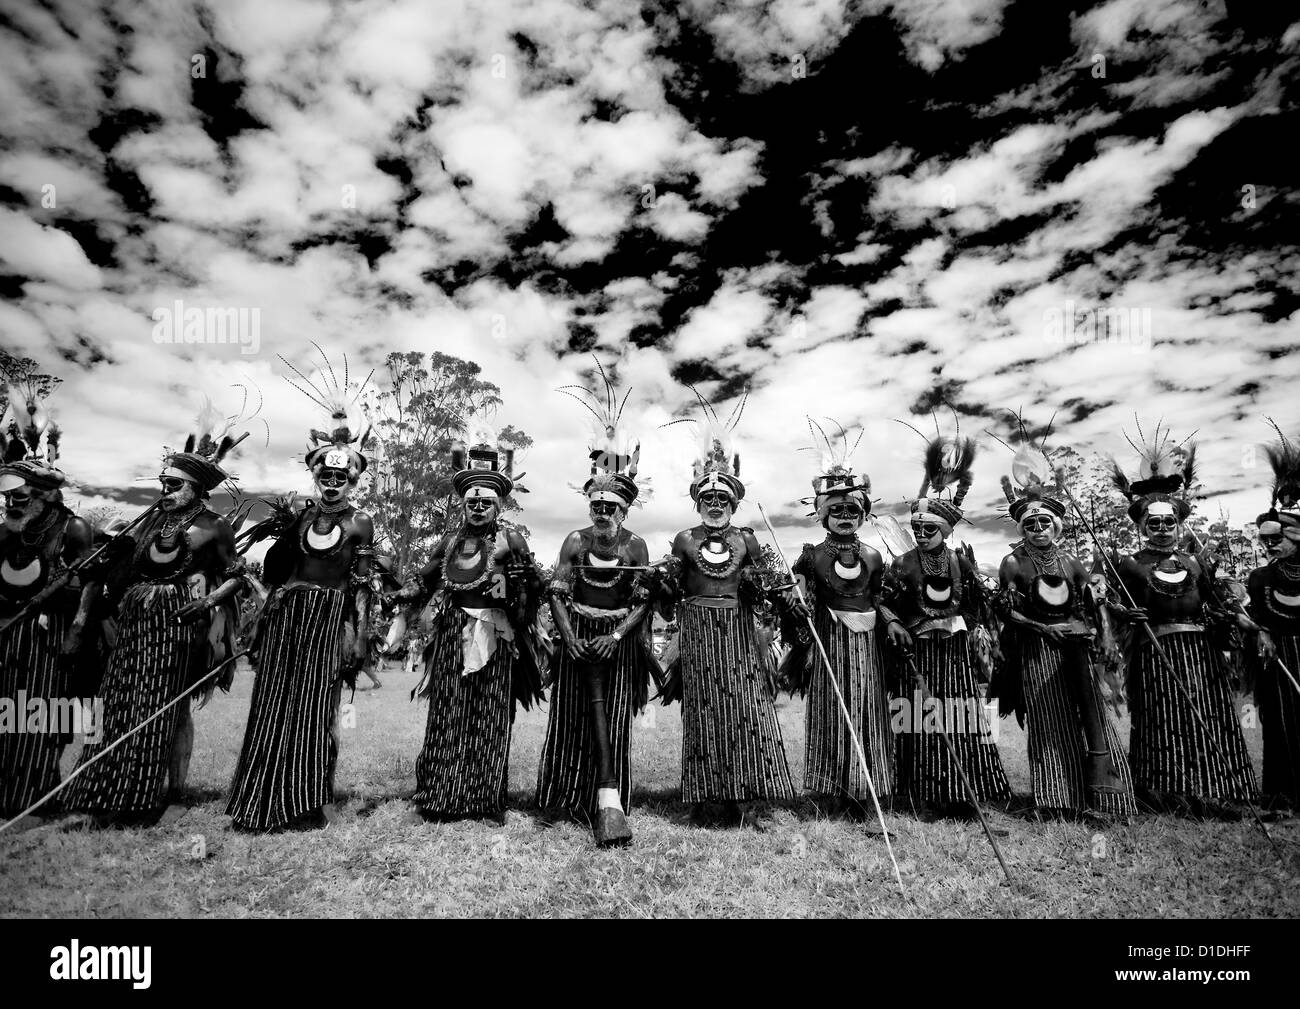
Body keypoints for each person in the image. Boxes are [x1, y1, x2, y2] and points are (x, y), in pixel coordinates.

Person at [64, 406, 246, 824]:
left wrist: (206, 602)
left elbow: (237, 577)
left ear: (197, 488)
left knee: (167, 706)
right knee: (119, 701)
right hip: (137, 621)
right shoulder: (149, 524)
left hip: (179, 623)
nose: (165, 488)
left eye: (174, 483)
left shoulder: (214, 526)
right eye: (163, 481)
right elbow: (121, 571)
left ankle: (165, 795)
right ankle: (104, 789)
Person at [226, 365, 374, 831]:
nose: (332, 483)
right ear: (315, 476)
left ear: (353, 481)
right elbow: (275, 573)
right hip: (289, 616)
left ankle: (311, 799)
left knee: (317, 707)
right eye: (325, 475)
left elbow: (364, 584)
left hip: (329, 619)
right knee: (273, 702)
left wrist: (361, 637)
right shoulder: (299, 520)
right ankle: (262, 796)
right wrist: (283, 533)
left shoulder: (359, 523)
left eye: (341, 477)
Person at [389, 436, 545, 821]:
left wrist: (525, 584)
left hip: (497, 634)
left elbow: (530, 596)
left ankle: (486, 801)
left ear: (499, 504)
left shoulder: (511, 539)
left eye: (486, 502)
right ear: (463, 504)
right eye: (472, 502)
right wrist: (397, 597)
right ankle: (436, 798)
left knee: (491, 715)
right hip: (452, 634)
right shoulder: (449, 542)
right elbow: (424, 583)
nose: (478, 507)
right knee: (447, 712)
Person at [536, 371, 660, 845]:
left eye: (611, 506)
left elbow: (644, 598)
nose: (602, 512)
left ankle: (612, 799)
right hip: (577, 641)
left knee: (613, 720)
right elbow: (557, 590)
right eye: (597, 504)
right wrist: (569, 638)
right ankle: (563, 796)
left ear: (625, 510)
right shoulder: (574, 540)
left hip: (617, 644)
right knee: (570, 717)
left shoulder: (636, 547)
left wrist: (614, 637)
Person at [660, 396, 794, 821]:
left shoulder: (747, 540)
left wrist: (777, 594)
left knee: (744, 706)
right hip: (697, 626)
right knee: (702, 708)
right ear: (697, 499)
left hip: (738, 628)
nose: (715, 502)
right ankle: (704, 796)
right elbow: (668, 600)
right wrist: (659, 583)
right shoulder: (683, 539)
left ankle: (744, 795)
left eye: (722, 497)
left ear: (734, 503)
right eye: (708, 496)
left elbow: (760, 592)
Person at [1110, 426, 1256, 814]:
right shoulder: (1130, 564)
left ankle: (1219, 790)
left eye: (1168, 522)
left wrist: (1232, 614)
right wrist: (1126, 613)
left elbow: (1215, 600)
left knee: (1210, 714)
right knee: (1162, 717)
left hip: (1201, 652)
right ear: (1142, 526)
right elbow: (1109, 605)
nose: (1161, 529)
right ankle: (1164, 793)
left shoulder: (1196, 561)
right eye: (1153, 523)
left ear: (1178, 523)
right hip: (1154, 650)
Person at [990, 439, 1135, 817]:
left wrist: (1105, 631)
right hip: (1039, 650)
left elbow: (1095, 600)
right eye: (1031, 523)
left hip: (1078, 645)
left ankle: (1108, 795)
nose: (1038, 528)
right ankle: (1058, 797)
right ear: (1023, 528)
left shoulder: (1071, 561)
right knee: (1050, 718)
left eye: (1044, 522)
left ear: (1055, 526)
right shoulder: (1013, 563)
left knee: (1094, 717)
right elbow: (1006, 610)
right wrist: (1041, 628)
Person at [878, 431, 1010, 815]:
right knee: (916, 719)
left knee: (960, 715)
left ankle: (961, 792)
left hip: (953, 653)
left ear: (946, 530)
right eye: (916, 529)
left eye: (929, 529)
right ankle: (921, 793)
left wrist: (967, 625)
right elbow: (884, 602)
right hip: (916, 652)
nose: (920, 534)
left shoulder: (960, 562)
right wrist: (893, 623)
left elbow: (975, 603)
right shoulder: (901, 564)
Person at [779, 421, 891, 819]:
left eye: (852, 510)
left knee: (866, 710)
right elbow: (795, 597)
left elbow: (880, 598)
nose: (845, 516)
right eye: (837, 510)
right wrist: (796, 605)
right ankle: (835, 787)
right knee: (832, 710)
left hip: (867, 645)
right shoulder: (811, 555)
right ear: (823, 515)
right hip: (829, 642)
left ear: (863, 514)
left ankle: (866, 789)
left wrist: (891, 622)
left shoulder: (875, 556)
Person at [0, 389, 96, 821]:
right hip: (8, 634)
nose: (10, 503)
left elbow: (91, 580)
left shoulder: (72, 528)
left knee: (41, 715)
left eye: (19, 496)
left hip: (49, 634)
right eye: (6, 496)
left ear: (41, 493)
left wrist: (77, 628)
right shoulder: (5, 533)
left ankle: (37, 795)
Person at [1244, 422, 1300, 810]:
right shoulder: (1260, 577)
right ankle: (1280, 795)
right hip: (1277, 658)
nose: (1271, 546)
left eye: (1277, 539)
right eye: (1265, 541)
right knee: (1280, 725)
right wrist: (1257, 630)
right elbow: (1251, 616)